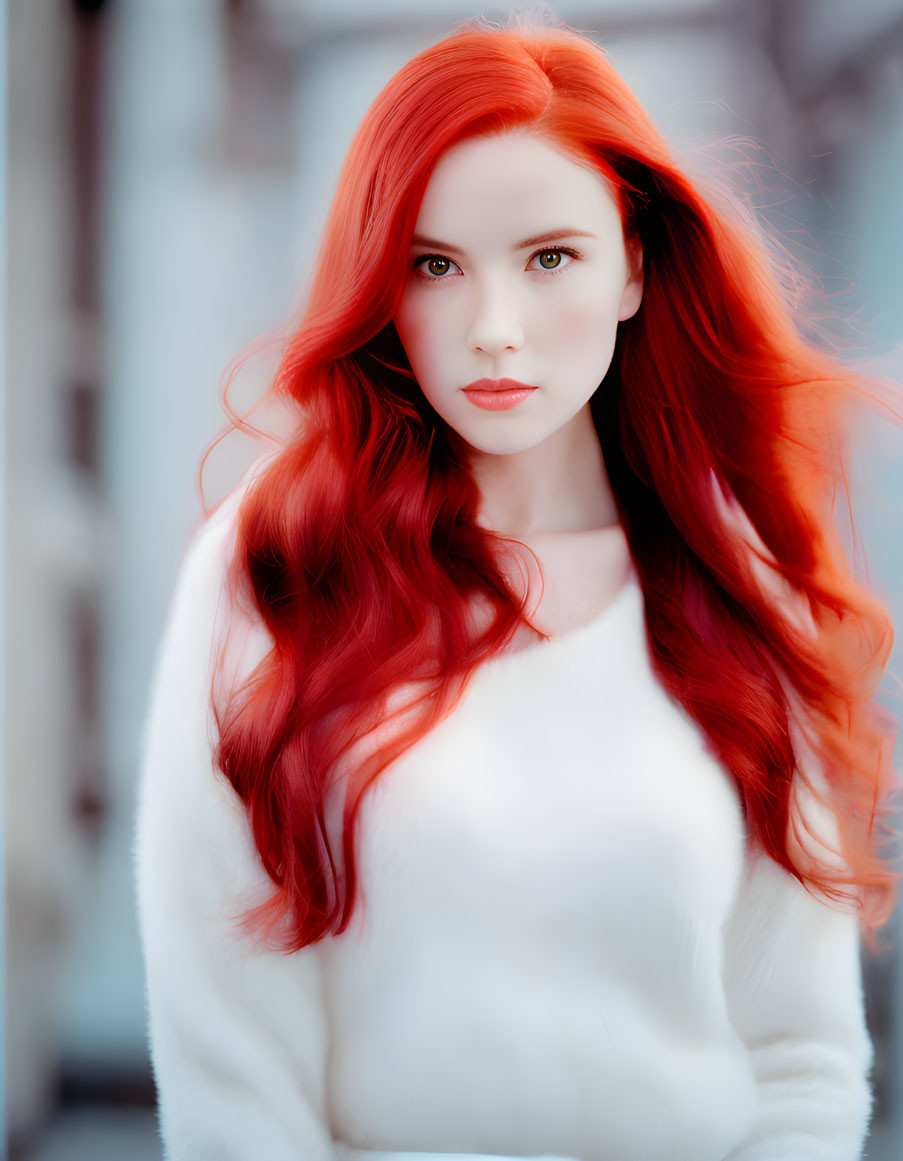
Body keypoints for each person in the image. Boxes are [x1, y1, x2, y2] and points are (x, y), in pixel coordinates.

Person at [134, 15, 899, 1161]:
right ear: (381, 289)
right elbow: (227, 1076)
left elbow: (802, 1059)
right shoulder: (280, 573)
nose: (494, 332)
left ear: (634, 266)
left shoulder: (736, 591)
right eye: (435, 265)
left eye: (551, 258)